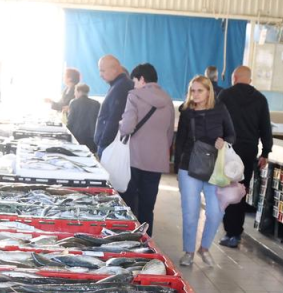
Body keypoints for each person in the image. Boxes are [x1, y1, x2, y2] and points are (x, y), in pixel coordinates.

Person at [173, 76, 236, 267]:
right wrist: (177, 170)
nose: (195, 94)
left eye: (200, 90)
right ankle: (189, 252)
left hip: (214, 169)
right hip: (188, 167)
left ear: (209, 92)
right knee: (190, 213)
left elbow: (232, 134)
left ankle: (205, 248)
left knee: (216, 212)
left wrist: (224, 142)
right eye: (192, 91)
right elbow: (180, 141)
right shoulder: (186, 112)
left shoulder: (220, 109)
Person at [217, 65, 273, 248]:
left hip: (228, 150)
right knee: (241, 190)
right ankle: (235, 233)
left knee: (227, 188)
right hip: (248, 152)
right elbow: (266, 128)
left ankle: (229, 230)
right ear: (250, 80)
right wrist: (265, 152)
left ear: (234, 78)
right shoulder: (260, 99)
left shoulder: (225, 95)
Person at [118, 63, 175, 233]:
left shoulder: (134, 96)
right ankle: (146, 239)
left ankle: (128, 237)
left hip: (134, 158)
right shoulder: (168, 99)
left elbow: (127, 127)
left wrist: (121, 126)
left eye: (135, 81)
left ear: (142, 79)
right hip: (157, 160)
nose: (135, 85)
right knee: (147, 206)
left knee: (129, 202)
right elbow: (169, 133)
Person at [93, 55, 131, 158]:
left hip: (110, 145)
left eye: (102, 71)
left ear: (114, 69)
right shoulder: (118, 85)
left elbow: (114, 118)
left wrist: (103, 142)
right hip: (111, 143)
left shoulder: (120, 87)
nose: (100, 75)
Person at [67, 83, 100, 151]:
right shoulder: (96, 103)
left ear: (79, 91)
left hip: (77, 135)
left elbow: (70, 120)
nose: (74, 94)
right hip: (92, 136)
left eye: (75, 92)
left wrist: (67, 133)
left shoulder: (74, 102)